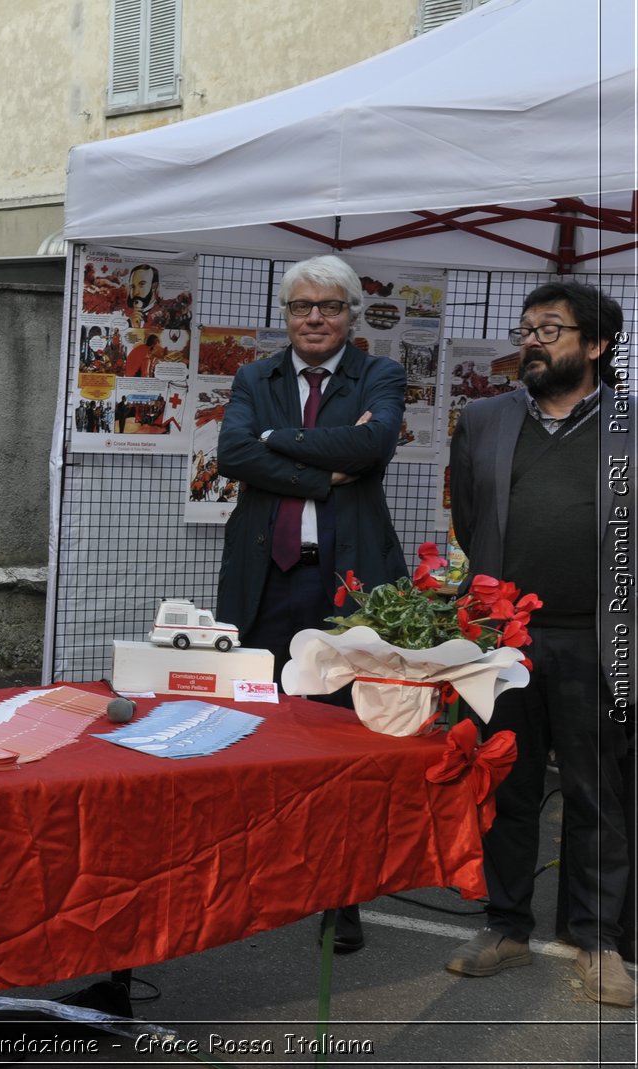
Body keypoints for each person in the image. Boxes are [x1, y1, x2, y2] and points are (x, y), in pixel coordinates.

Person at [443, 281, 635, 1008]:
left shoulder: (632, 425)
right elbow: (471, 520)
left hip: (600, 641)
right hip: (506, 641)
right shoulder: (487, 419)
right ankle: (506, 926)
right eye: (528, 328)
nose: (532, 341)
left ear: (595, 344)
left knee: (598, 795)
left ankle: (599, 941)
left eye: (550, 330)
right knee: (506, 786)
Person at [216, 253, 408, 954]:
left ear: (353, 314)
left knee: (338, 742)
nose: (316, 318)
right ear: (286, 315)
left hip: (343, 589)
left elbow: (372, 441)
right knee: (255, 729)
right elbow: (232, 451)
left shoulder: (379, 374)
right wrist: (325, 473)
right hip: (265, 583)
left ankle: (340, 894)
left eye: (329, 306)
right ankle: (255, 875)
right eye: (302, 307)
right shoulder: (252, 376)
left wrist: (276, 443)